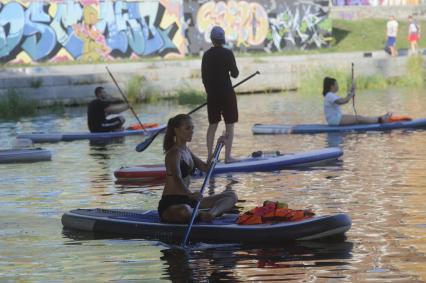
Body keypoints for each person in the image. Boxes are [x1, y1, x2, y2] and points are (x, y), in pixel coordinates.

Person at [158, 114, 238, 223]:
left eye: (192, 128)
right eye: (187, 128)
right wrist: (190, 194)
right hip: (171, 204)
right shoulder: (174, 153)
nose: (191, 131)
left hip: (188, 200)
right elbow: (177, 177)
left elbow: (207, 168)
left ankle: (211, 214)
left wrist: (218, 147)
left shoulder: (187, 151)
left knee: (231, 195)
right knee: (184, 210)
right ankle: (199, 214)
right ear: (176, 130)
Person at [202, 26, 240, 163]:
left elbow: (204, 78)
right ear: (222, 39)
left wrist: (210, 93)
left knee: (213, 125)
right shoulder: (228, 54)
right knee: (229, 125)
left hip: (212, 95)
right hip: (227, 94)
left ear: (212, 39)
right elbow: (235, 74)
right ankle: (228, 157)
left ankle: (209, 156)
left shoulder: (206, 55)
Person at [322, 77, 392, 126]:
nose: (338, 86)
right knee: (358, 118)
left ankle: (379, 118)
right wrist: (351, 94)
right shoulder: (329, 95)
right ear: (332, 86)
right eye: (336, 84)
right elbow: (344, 101)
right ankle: (381, 120)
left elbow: (345, 99)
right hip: (335, 120)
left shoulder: (331, 95)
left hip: (336, 119)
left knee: (359, 119)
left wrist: (351, 91)